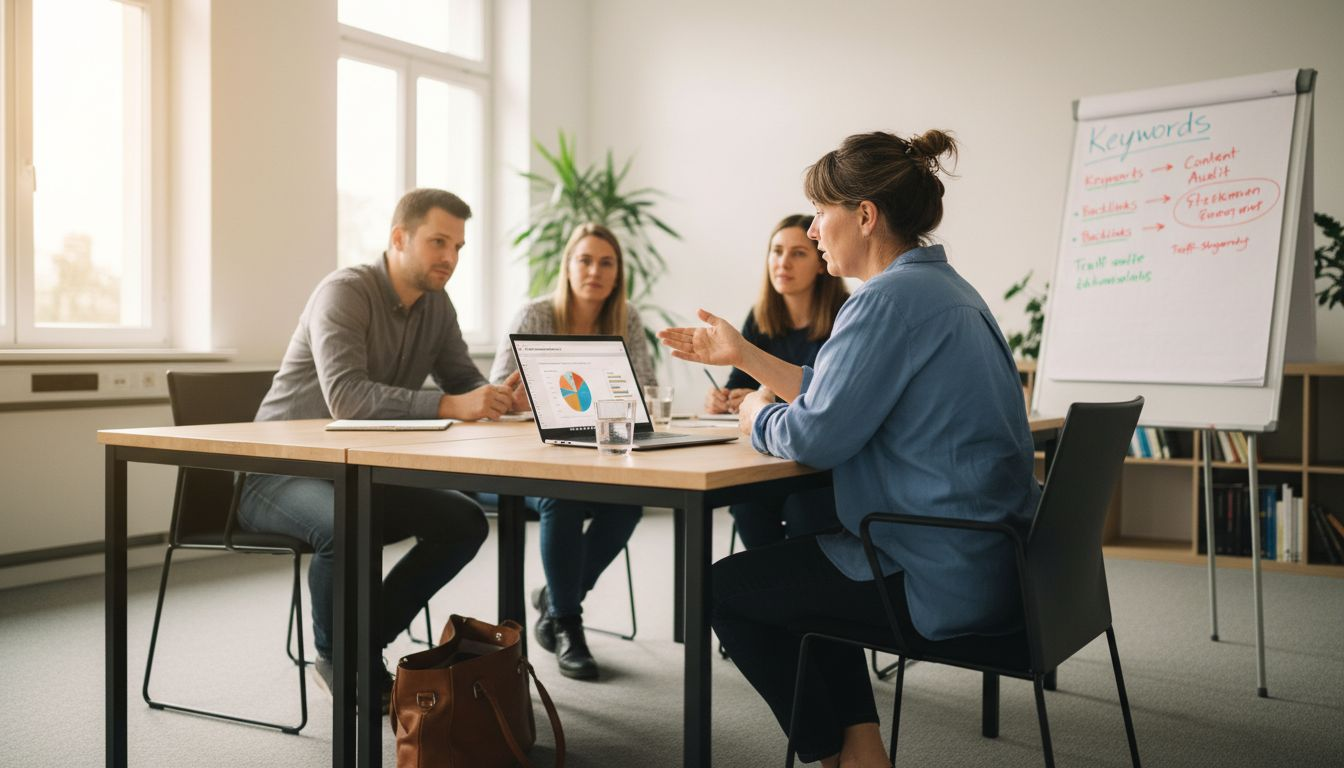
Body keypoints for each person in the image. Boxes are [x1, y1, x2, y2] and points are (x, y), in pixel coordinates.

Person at [659, 131, 1041, 768]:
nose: (812, 230)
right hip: (994, 560)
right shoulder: (947, 291)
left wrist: (755, 414)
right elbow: (840, 392)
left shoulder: (884, 303)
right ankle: (862, 749)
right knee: (811, 560)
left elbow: (814, 436)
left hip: (934, 570)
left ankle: (833, 754)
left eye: (819, 213)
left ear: (864, 216)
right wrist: (744, 355)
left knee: (721, 590)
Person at [239, 188, 519, 711]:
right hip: (279, 472)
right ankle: (338, 661)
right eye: (438, 242)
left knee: (464, 522)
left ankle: (362, 644)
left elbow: (463, 381)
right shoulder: (344, 292)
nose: (450, 257)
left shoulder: (437, 306)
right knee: (350, 523)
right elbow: (347, 398)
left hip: (359, 473)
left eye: (458, 247)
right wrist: (454, 405)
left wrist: (501, 398)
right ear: (399, 238)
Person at [487, 222, 655, 680]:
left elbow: (643, 389)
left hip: (595, 457)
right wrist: (517, 402)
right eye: (585, 260)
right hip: (530, 461)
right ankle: (567, 623)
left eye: (606, 262)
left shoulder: (626, 318)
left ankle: (556, 597)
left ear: (618, 273)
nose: (594, 271)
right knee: (561, 496)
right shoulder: (535, 315)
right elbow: (497, 394)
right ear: (567, 266)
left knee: (628, 505)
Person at [705, 214, 848, 549]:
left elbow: (833, 398)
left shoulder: (845, 314)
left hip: (822, 464)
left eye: (798, 253)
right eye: (777, 251)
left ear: (820, 262)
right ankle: (768, 576)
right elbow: (737, 384)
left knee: (804, 508)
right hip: (769, 454)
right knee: (746, 504)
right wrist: (724, 398)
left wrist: (763, 397)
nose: (783, 262)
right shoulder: (760, 317)